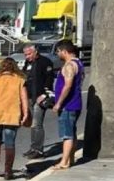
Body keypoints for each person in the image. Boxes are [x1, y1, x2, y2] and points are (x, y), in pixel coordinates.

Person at [0, 58, 29, 180]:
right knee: (10, 142)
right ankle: (8, 171)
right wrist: (25, 113)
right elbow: (24, 98)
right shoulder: (20, 80)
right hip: (12, 114)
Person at [51, 40, 84, 170]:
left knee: (67, 135)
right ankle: (70, 158)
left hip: (68, 106)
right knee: (72, 133)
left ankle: (64, 161)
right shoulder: (79, 63)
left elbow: (68, 85)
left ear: (64, 51)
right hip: (75, 104)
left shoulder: (69, 66)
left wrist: (58, 103)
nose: (58, 54)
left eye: (58, 51)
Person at [21, 44, 55, 159]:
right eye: (25, 55)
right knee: (32, 124)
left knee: (37, 124)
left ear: (35, 52)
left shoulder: (45, 62)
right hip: (30, 97)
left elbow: (49, 80)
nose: (27, 57)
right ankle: (33, 147)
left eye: (29, 54)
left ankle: (39, 150)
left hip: (40, 97)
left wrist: (45, 94)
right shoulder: (28, 63)